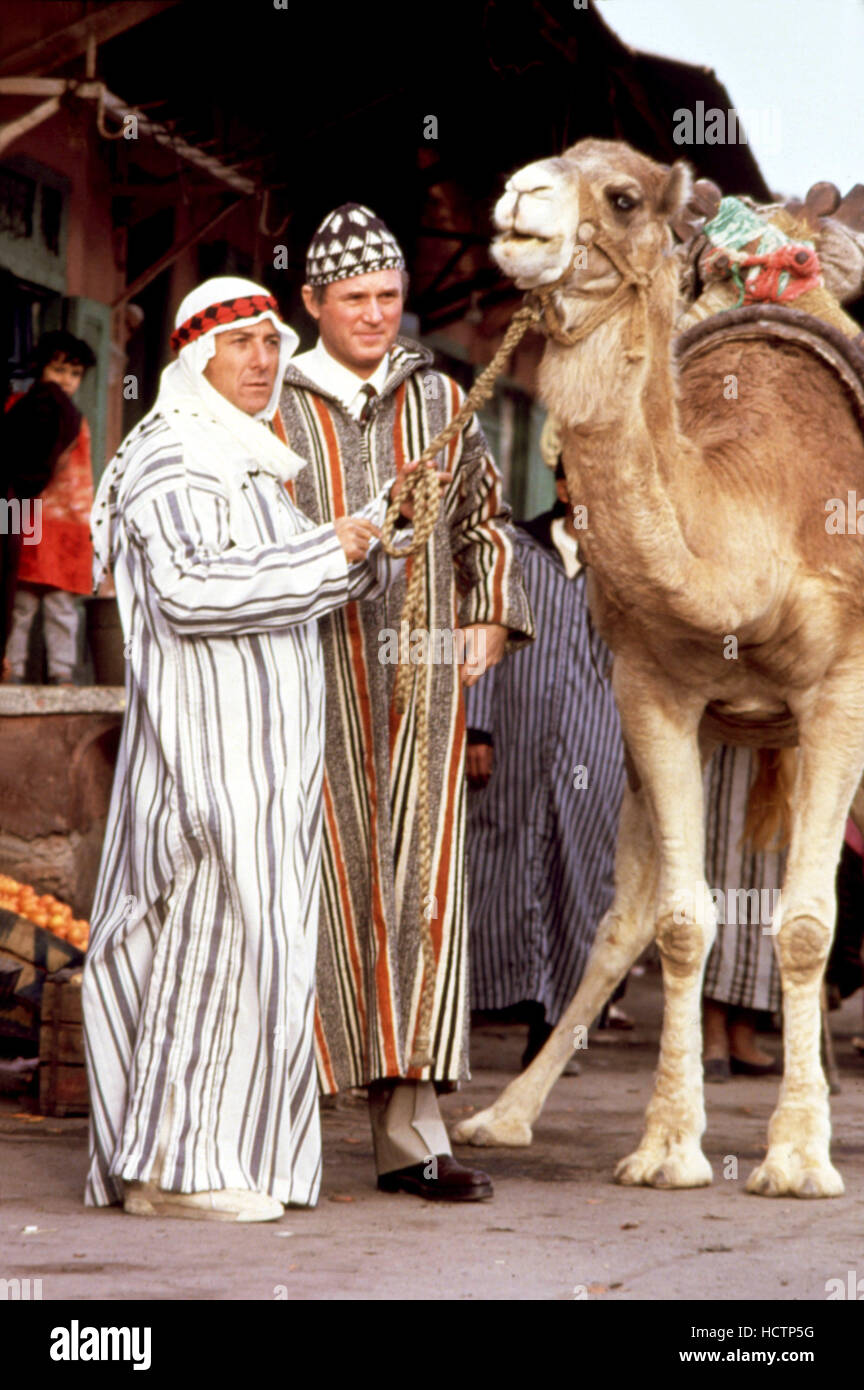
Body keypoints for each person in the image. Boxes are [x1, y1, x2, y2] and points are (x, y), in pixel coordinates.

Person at [83, 276, 414, 1222]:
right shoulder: (174, 458)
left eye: (274, 345)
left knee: (251, 955)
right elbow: (192, 589)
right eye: (244, 347)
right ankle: (173, 1174)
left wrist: (372, 534)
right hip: (207, 766)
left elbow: (287, 585)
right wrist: (331, 548)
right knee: (210, 951)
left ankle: (225, 1159)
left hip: (262, 771)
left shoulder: (246, 463)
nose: (265, 362)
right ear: (196, 362)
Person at [280, 204, 534, 1202]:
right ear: (313, 303)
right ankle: (278, 1124)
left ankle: (411, 1138)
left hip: (422, 690)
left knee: (420, 894)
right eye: (355, 300)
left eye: (389, 296)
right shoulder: (274, 401)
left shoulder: (440, 398)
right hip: (304, 682)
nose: (376, 315)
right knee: (309, 893)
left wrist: (487, 618)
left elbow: (486, 525)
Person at [465, 459, 625, 1067]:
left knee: (580, 880)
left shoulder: (624, 566)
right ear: (560, 487)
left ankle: (558, 1028)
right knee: (489, 866)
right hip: (511, 739)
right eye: (579, 480)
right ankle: (473, 1007)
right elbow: (481, 628)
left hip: (595, 745)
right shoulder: (516, 551)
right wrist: (477, 725)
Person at [4, 331, 96, 685]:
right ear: (40, 369)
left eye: (74, 374)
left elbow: (82, 481)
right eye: (58, 370)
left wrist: (87, 531)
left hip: (64, 524)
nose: (66, 381)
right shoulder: (16, 410)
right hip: (23, 519)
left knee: (60, 606)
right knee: (20, 602)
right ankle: (11, 670)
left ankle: (62, 674)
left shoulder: (77, 421)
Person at [701, 746, 785, 1079]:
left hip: (784, 734)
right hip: (725, 729)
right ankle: (713, 1033)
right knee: (722, 867)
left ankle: (743, 1032)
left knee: (771, 879)